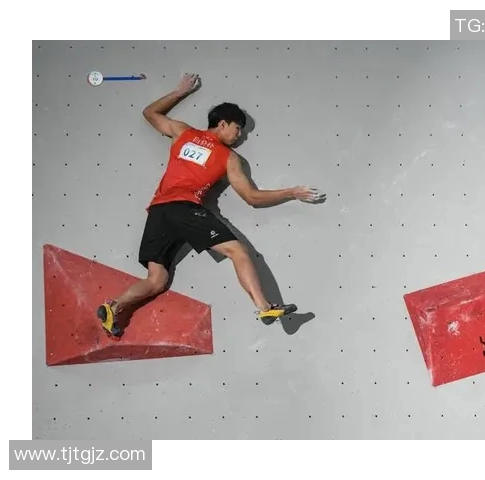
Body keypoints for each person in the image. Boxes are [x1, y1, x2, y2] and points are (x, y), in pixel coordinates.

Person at [96, 72, 325, 338]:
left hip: (158, 212)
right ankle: (264, 307)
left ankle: (113, 307)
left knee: (157, 280)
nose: (241, 136)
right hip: (185, 208)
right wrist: (292, 192)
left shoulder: (183, 132)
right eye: (238, 128)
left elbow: (150, 113)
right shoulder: (229, 157)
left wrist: (179, 92)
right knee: (237, 251)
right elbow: (252, 197)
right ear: (223, 123)